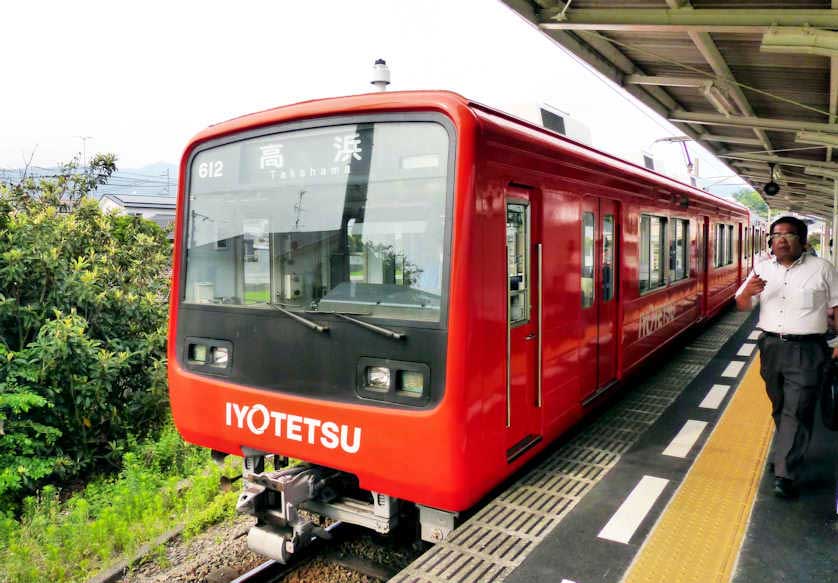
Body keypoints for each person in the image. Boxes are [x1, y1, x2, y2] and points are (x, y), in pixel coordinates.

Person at [735, 216, 838, 498]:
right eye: (775, 235)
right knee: (780, 405)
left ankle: (785, 473)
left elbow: (837, 306)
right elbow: (742, 305)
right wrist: (747, 292)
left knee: (797, 407)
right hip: (770, 348)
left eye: (789, 235)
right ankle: (786, 452)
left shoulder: (822, 269)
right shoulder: (762, 268)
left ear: (803, 241)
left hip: (808, 350)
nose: (780, 240)